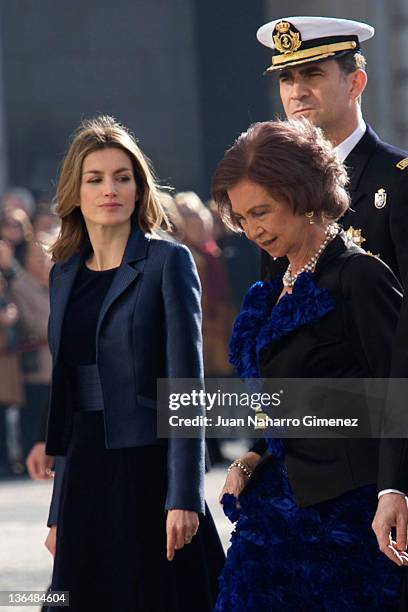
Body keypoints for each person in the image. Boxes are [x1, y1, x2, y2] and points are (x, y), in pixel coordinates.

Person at [211, 119, 406, 610]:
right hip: (275, 514)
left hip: (350, 519)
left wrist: (394, 491)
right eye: (241, 218)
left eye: (262, 212)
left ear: (305, 194)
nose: (253, 229)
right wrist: (252, 454)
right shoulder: (276, 281)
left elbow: (397, 394)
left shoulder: (359, 275)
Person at [43, 115, 224, 611]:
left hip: (149, 470)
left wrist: (186, 495)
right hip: (84, 472)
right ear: (75, 191)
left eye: (123, 177)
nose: (110, 190)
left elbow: (187, 385)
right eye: (95, 179)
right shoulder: (62, 275)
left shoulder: (170, 261)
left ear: (139, 186)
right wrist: (57, 509)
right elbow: (68, 398)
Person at [255, 15, 408, 565]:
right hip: (296, 462)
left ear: (356, 82)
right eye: (286, 79)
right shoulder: (277, 196)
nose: (297, 93)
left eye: (313, 75)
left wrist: (397, 480)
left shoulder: (399, 181)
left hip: (374, 463)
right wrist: (256, 446)